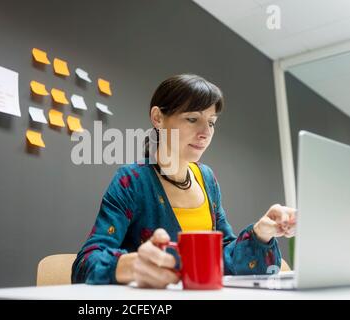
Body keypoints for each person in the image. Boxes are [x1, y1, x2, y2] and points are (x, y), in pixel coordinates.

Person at [71, 74, 296, 288]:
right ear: (158, 118)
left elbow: (225, 259)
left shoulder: (206, 178)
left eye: (212, 122)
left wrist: (260, 233)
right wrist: (128, 265)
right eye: (192, 119)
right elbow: (85, 264)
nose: (205, 132)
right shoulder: (132, 180)